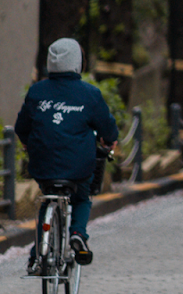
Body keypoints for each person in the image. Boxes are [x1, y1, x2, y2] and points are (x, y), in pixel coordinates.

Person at [15, 38, 118, 269]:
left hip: (43, 165)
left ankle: (38, 251)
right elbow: (107, 128)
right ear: (77, 63)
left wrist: (26, 143)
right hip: (78, 167)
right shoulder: (90, 94)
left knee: (47, 199)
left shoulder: (37, 91)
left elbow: (22, 127)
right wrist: (109, 141)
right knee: (81, 197)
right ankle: (78, 234)